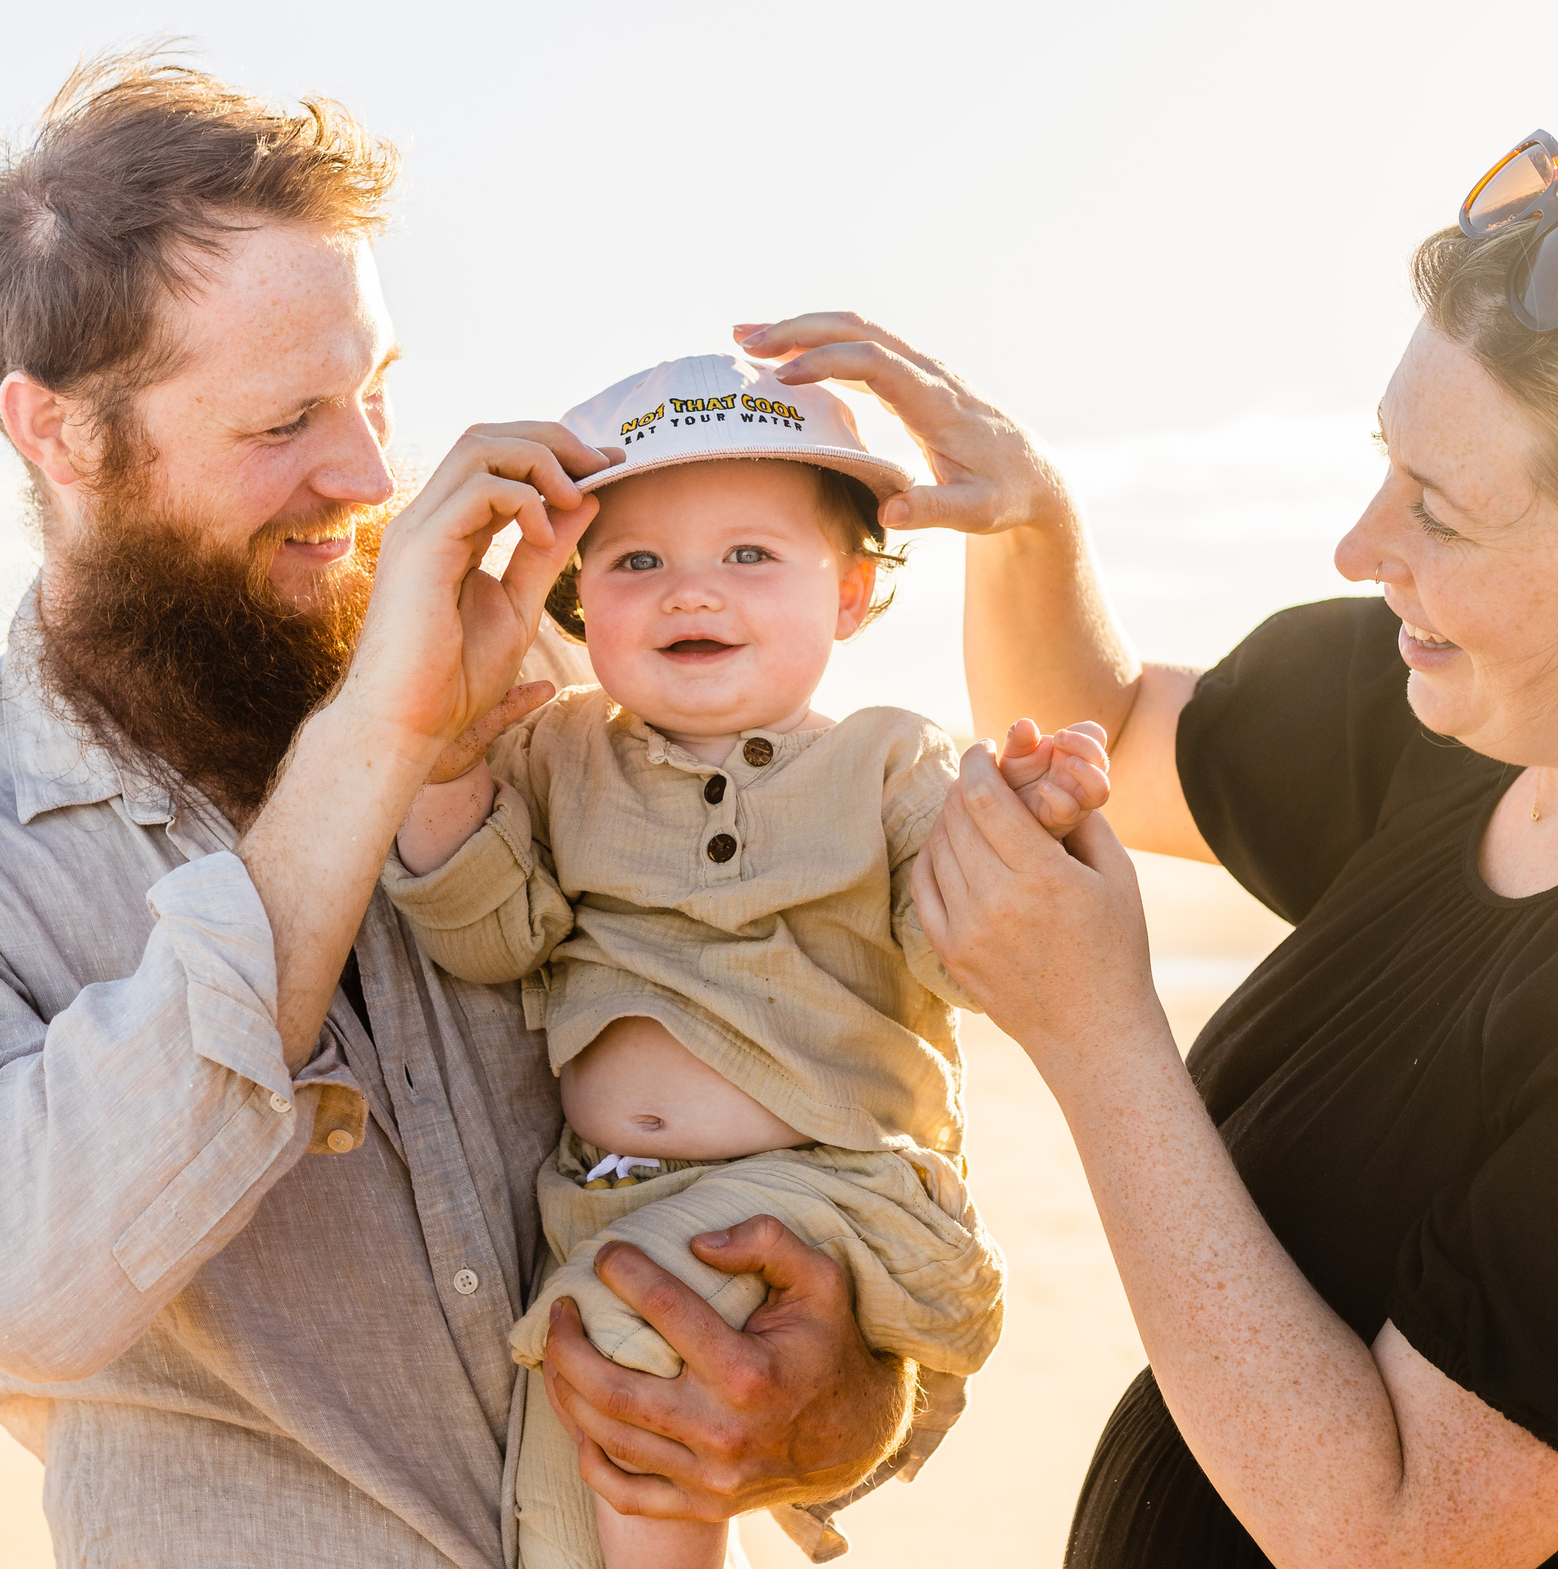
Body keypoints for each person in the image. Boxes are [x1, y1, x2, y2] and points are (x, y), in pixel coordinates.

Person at [0, 52, 923, 1568]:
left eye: (379, 391)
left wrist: (847, 1405)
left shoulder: (563, 696)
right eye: (284, 419)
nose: (365, 473)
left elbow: (826, 1079)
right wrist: (376, 740)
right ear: (60, 435)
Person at [734, 136, 1558, 1565]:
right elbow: (1115, 738)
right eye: (1389, 463)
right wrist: (1029, 523)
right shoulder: (1469, 721)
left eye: (1438, 512)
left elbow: (1387, 1532)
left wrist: (1095, 1029)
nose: (1356, 544)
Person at [381, 351, 1111, 1569]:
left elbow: (964, 945)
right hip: (604, 1207)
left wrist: (1021, 825)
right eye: (636, 563)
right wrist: (448, 768)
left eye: (748, 555)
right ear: (576, 603)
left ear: (851, 591)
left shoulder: (887, 763)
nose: (688, 593)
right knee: (554, 1502)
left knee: (638, 1384)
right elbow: (489, 938)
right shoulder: (559, 758)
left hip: (827, 1190)